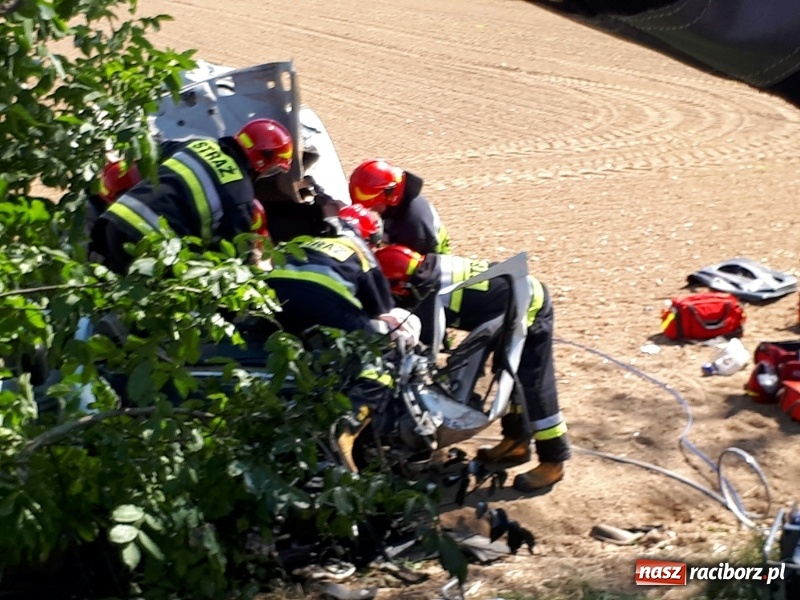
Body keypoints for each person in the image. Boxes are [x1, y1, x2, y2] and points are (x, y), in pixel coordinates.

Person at [374, 244, 571, 492]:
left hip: (527, 304)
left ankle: (554, 462)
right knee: (508, 377)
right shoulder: (427, 267)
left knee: (533, 385)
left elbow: (425, 350)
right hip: (513, 299)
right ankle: (515, 443)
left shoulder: (426, 290)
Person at [265, 203, 421, 471]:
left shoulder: (305, 240)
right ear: (369, 236)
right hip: (322, 299)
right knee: (383, 353)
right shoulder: (357, 247)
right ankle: (348, 426)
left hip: (274, 297)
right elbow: (381, 309)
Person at [89, 118, 294, 274]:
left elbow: (149, 155)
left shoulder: (198, 144)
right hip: (148, 243)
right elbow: (232, 253)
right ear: (263, 161)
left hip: (114, 220)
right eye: (272, 171)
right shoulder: (240, 194)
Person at [348, 159, 450, 255]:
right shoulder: (399, 205)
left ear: (388, 196)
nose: (371, 210)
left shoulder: (412, 227)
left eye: (373, 206)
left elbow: (415, 269)